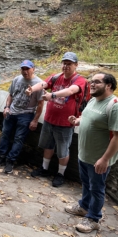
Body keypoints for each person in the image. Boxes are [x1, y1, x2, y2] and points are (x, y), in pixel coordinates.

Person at [66, 72, 118, 233]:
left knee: (97, 188)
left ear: (109, 85)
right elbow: (89, 118)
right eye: (91, 81)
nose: (92, 84)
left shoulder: (116, 107)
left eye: (97, 82)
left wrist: (105, 159)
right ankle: (84, 206)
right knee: (87, 185)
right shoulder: (94, 100)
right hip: (84, 155)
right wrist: (77, 120)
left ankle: (93, 218)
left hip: (99, 159)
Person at [26, 52, 88, 187]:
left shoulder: (79, 80)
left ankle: (60, 174)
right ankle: (45, 168)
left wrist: (52, 95)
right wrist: (32, 89)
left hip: (65, 123)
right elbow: (43, 84)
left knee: (63, 150)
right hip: (49, 119)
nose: (66, 66)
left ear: (76, 65)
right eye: (64, 63)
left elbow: (71, 91)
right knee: (48, 146)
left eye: (69, 64)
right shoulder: (56, 77)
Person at [0, 60, 44, 173]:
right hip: (12, 112)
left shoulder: (39, 83)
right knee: (5, 135)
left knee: (19, 139)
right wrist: (6, 107)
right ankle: (1, 156)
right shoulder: (17, 79)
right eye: (23, 69)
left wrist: (35, 120)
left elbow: (40, 104)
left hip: (26, 115)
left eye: (27, 69)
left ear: (33, 69)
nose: (25, 71)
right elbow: (10, 95)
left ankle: (10, 160)